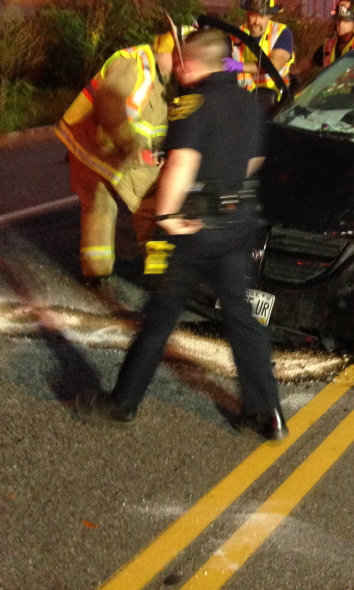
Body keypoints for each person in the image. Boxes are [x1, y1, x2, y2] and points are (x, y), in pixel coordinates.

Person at [75, 28, 287, 440]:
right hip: (238, 221)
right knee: (242, 320)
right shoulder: (249, 102)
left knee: (158, 319)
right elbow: (256, 157)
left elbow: (180, 164)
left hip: (193, 228)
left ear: (191, 64)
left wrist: (168, 215)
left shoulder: (191, 104)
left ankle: (122, 403)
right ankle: (267, 415)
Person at [55, 32, 177, 283]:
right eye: (178, 60)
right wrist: (130, 146)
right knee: (153, 203)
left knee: (99, 208)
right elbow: (110, 103)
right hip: (112, 150)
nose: (179, 68)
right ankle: (161, 273)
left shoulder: (157, 74)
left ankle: (96, 273)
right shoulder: (137, 64)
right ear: (167, 53)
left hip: (86, 147)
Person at [230, 0, 294, 112]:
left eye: (262, 16)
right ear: (247, 13)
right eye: (253, 15)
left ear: (270, 15)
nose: (256, 21)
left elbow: (273, 65)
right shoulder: (235, 35)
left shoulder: (282, 33)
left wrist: (239, 66)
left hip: (274, 105)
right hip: (242, 103)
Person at [312, 0, 354, 68]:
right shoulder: (328, 45)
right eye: (338, 20)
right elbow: (312, 61)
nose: (340, 24)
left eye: (346, 21)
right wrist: (296, 68)